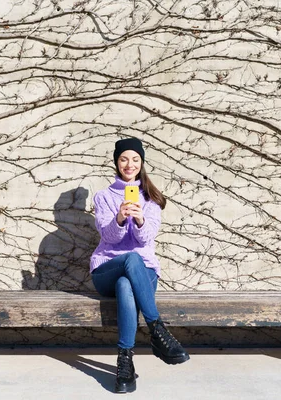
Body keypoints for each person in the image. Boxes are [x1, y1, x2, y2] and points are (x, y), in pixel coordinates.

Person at [90, 137, 189, 393]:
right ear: (116, 162)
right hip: (107, 269)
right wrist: (120, 219)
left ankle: (125, 360)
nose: (129, 164)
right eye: (124, 159)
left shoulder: (151, 197)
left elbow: (146, 240)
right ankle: (156, 329)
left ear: (142, 163)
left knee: (127, 283)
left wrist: (141, 219)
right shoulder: (103, 197)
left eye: (135, 159)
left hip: (142, 273)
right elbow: (109, 238)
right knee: (127, 263)